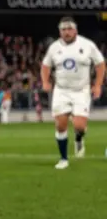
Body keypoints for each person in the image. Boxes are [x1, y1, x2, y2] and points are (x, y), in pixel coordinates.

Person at [41, 16, 105, 170]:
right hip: (61, 91)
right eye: (63, 30)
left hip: (81, 91)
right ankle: (63, 159)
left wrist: (97, 85)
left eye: (69, 29)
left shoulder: (87, 45)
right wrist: (45, 81)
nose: (67, 32)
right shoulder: (54, 47)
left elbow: (100, 64)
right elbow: (45, 66)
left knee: (80, 126)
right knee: (61, 125)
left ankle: (79, 138)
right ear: (60, 31)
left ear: (75, 29)